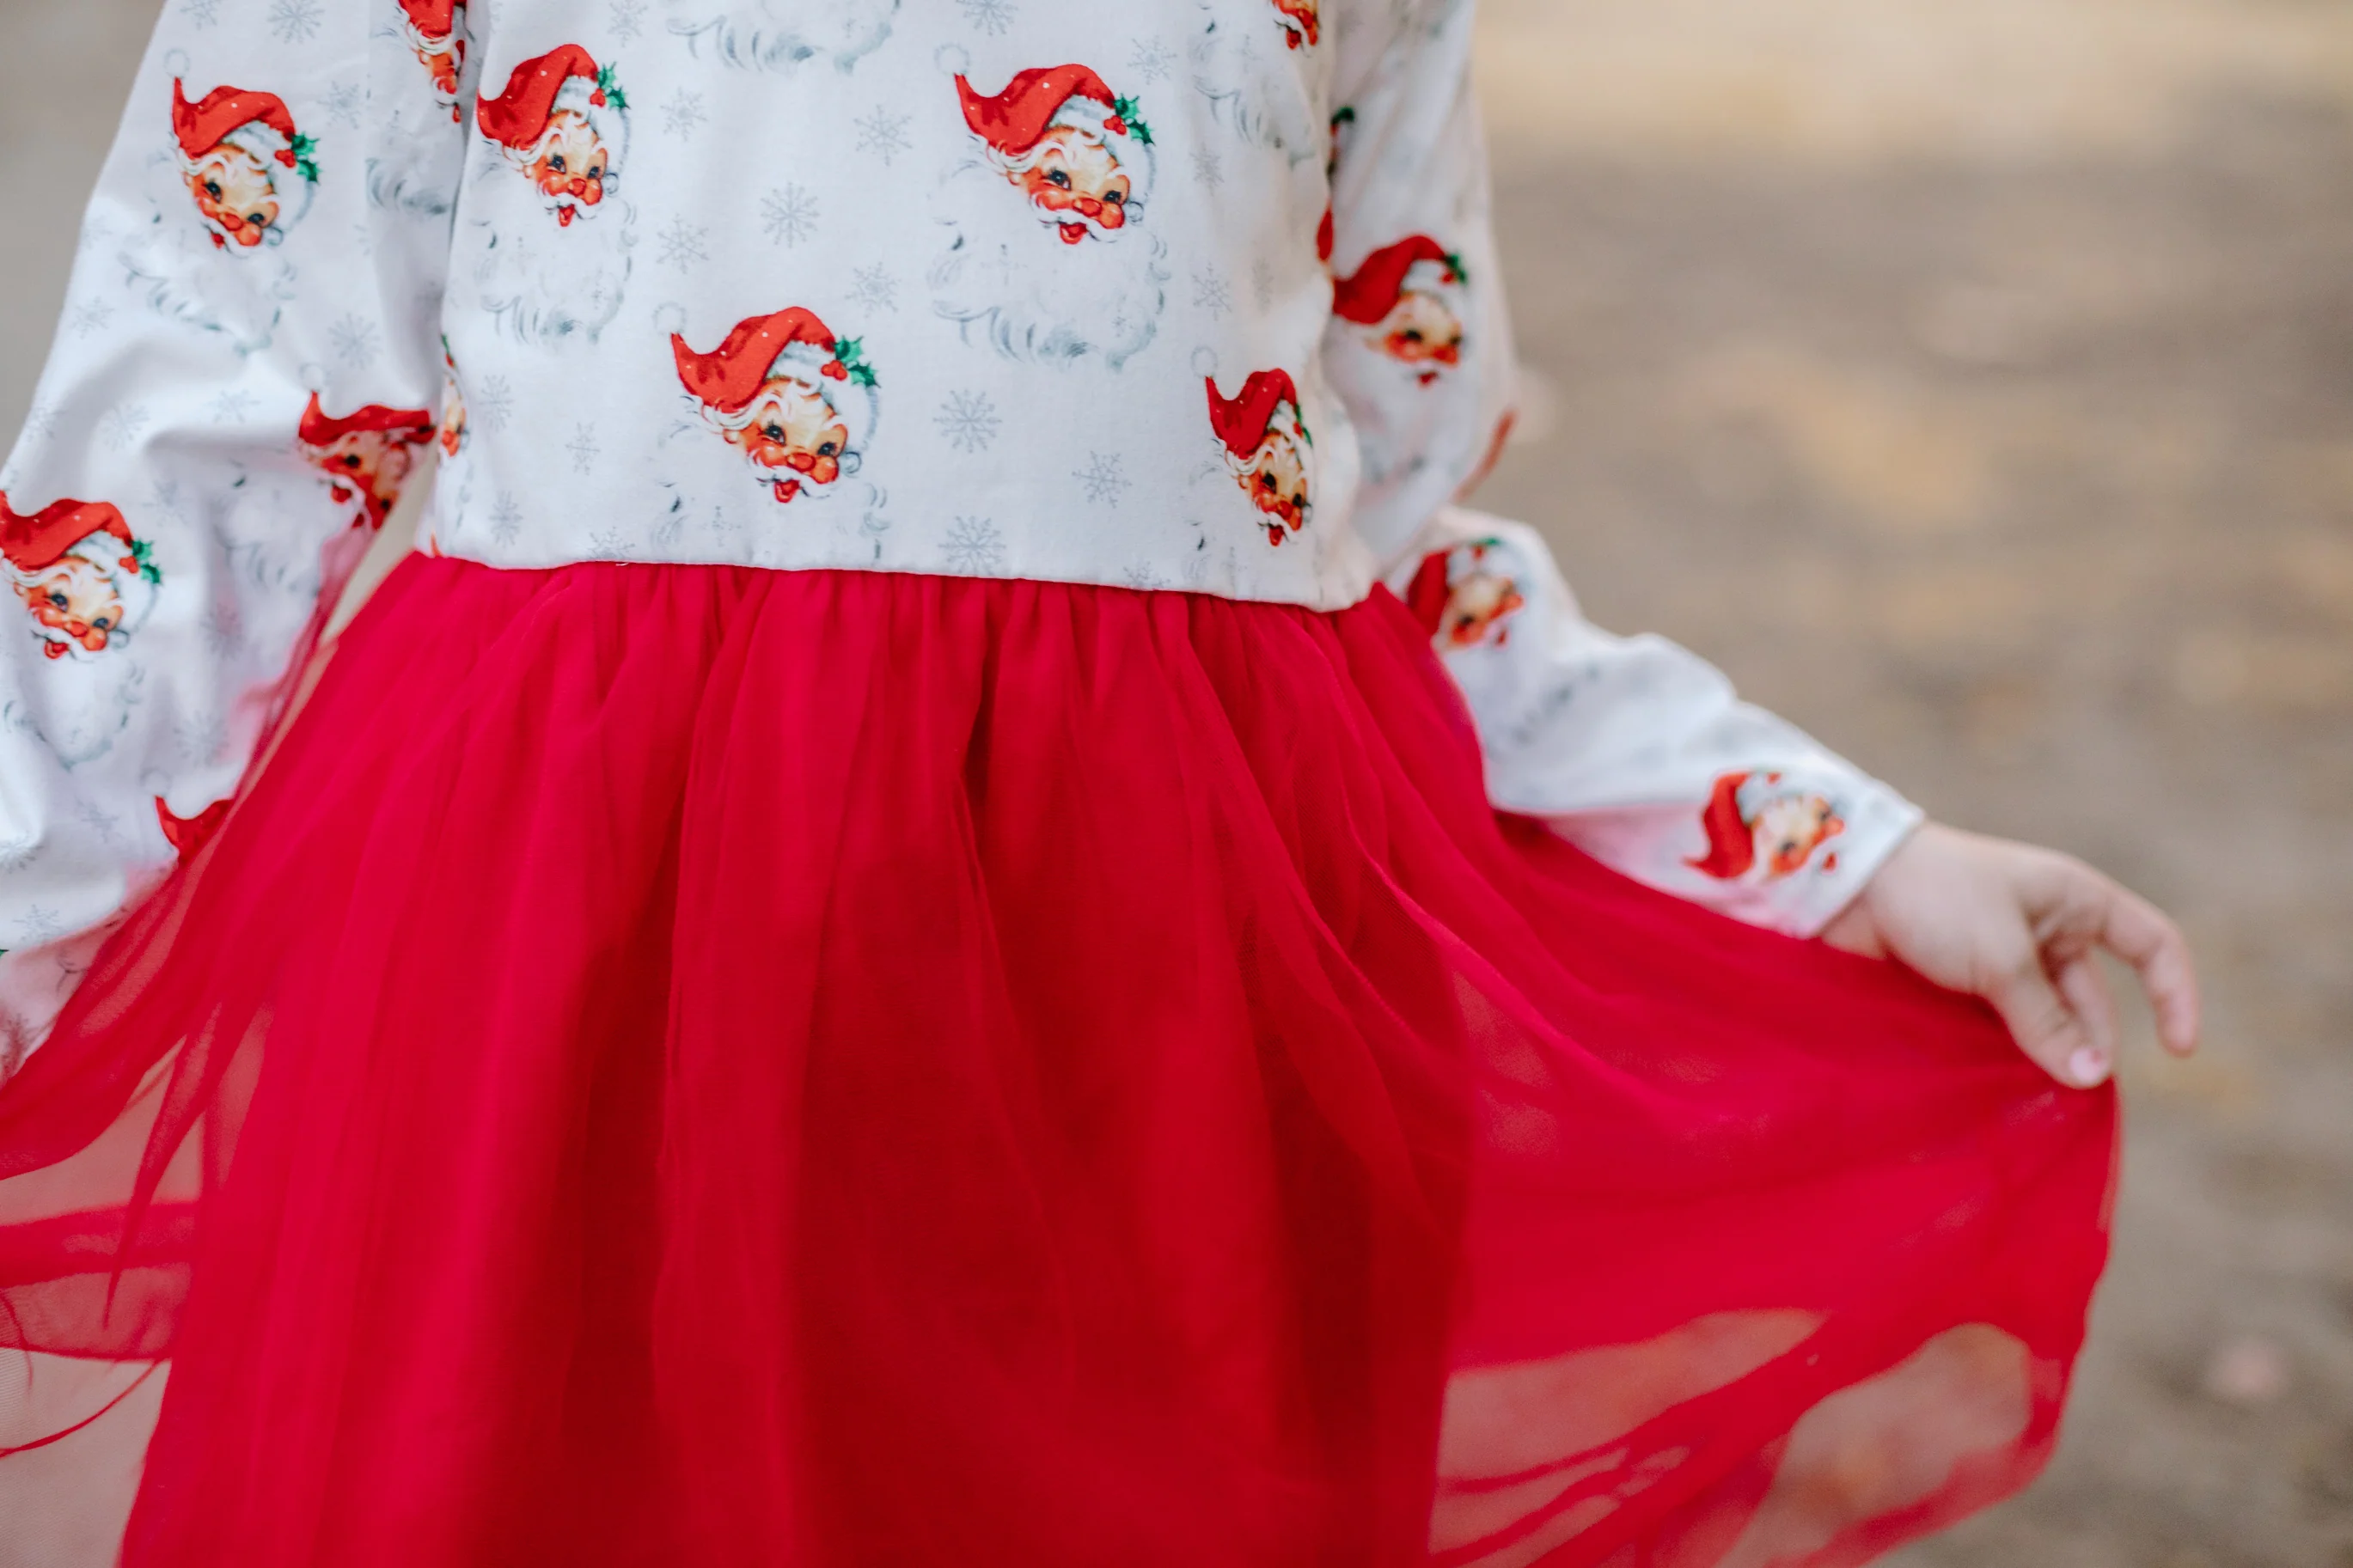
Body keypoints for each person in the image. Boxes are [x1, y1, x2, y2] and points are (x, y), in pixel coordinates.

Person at [0, 2, 2197, 1564]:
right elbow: (189, 454)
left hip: (1155, 1019)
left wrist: (1848, 850)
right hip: (602, 991)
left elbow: (1377, 536)